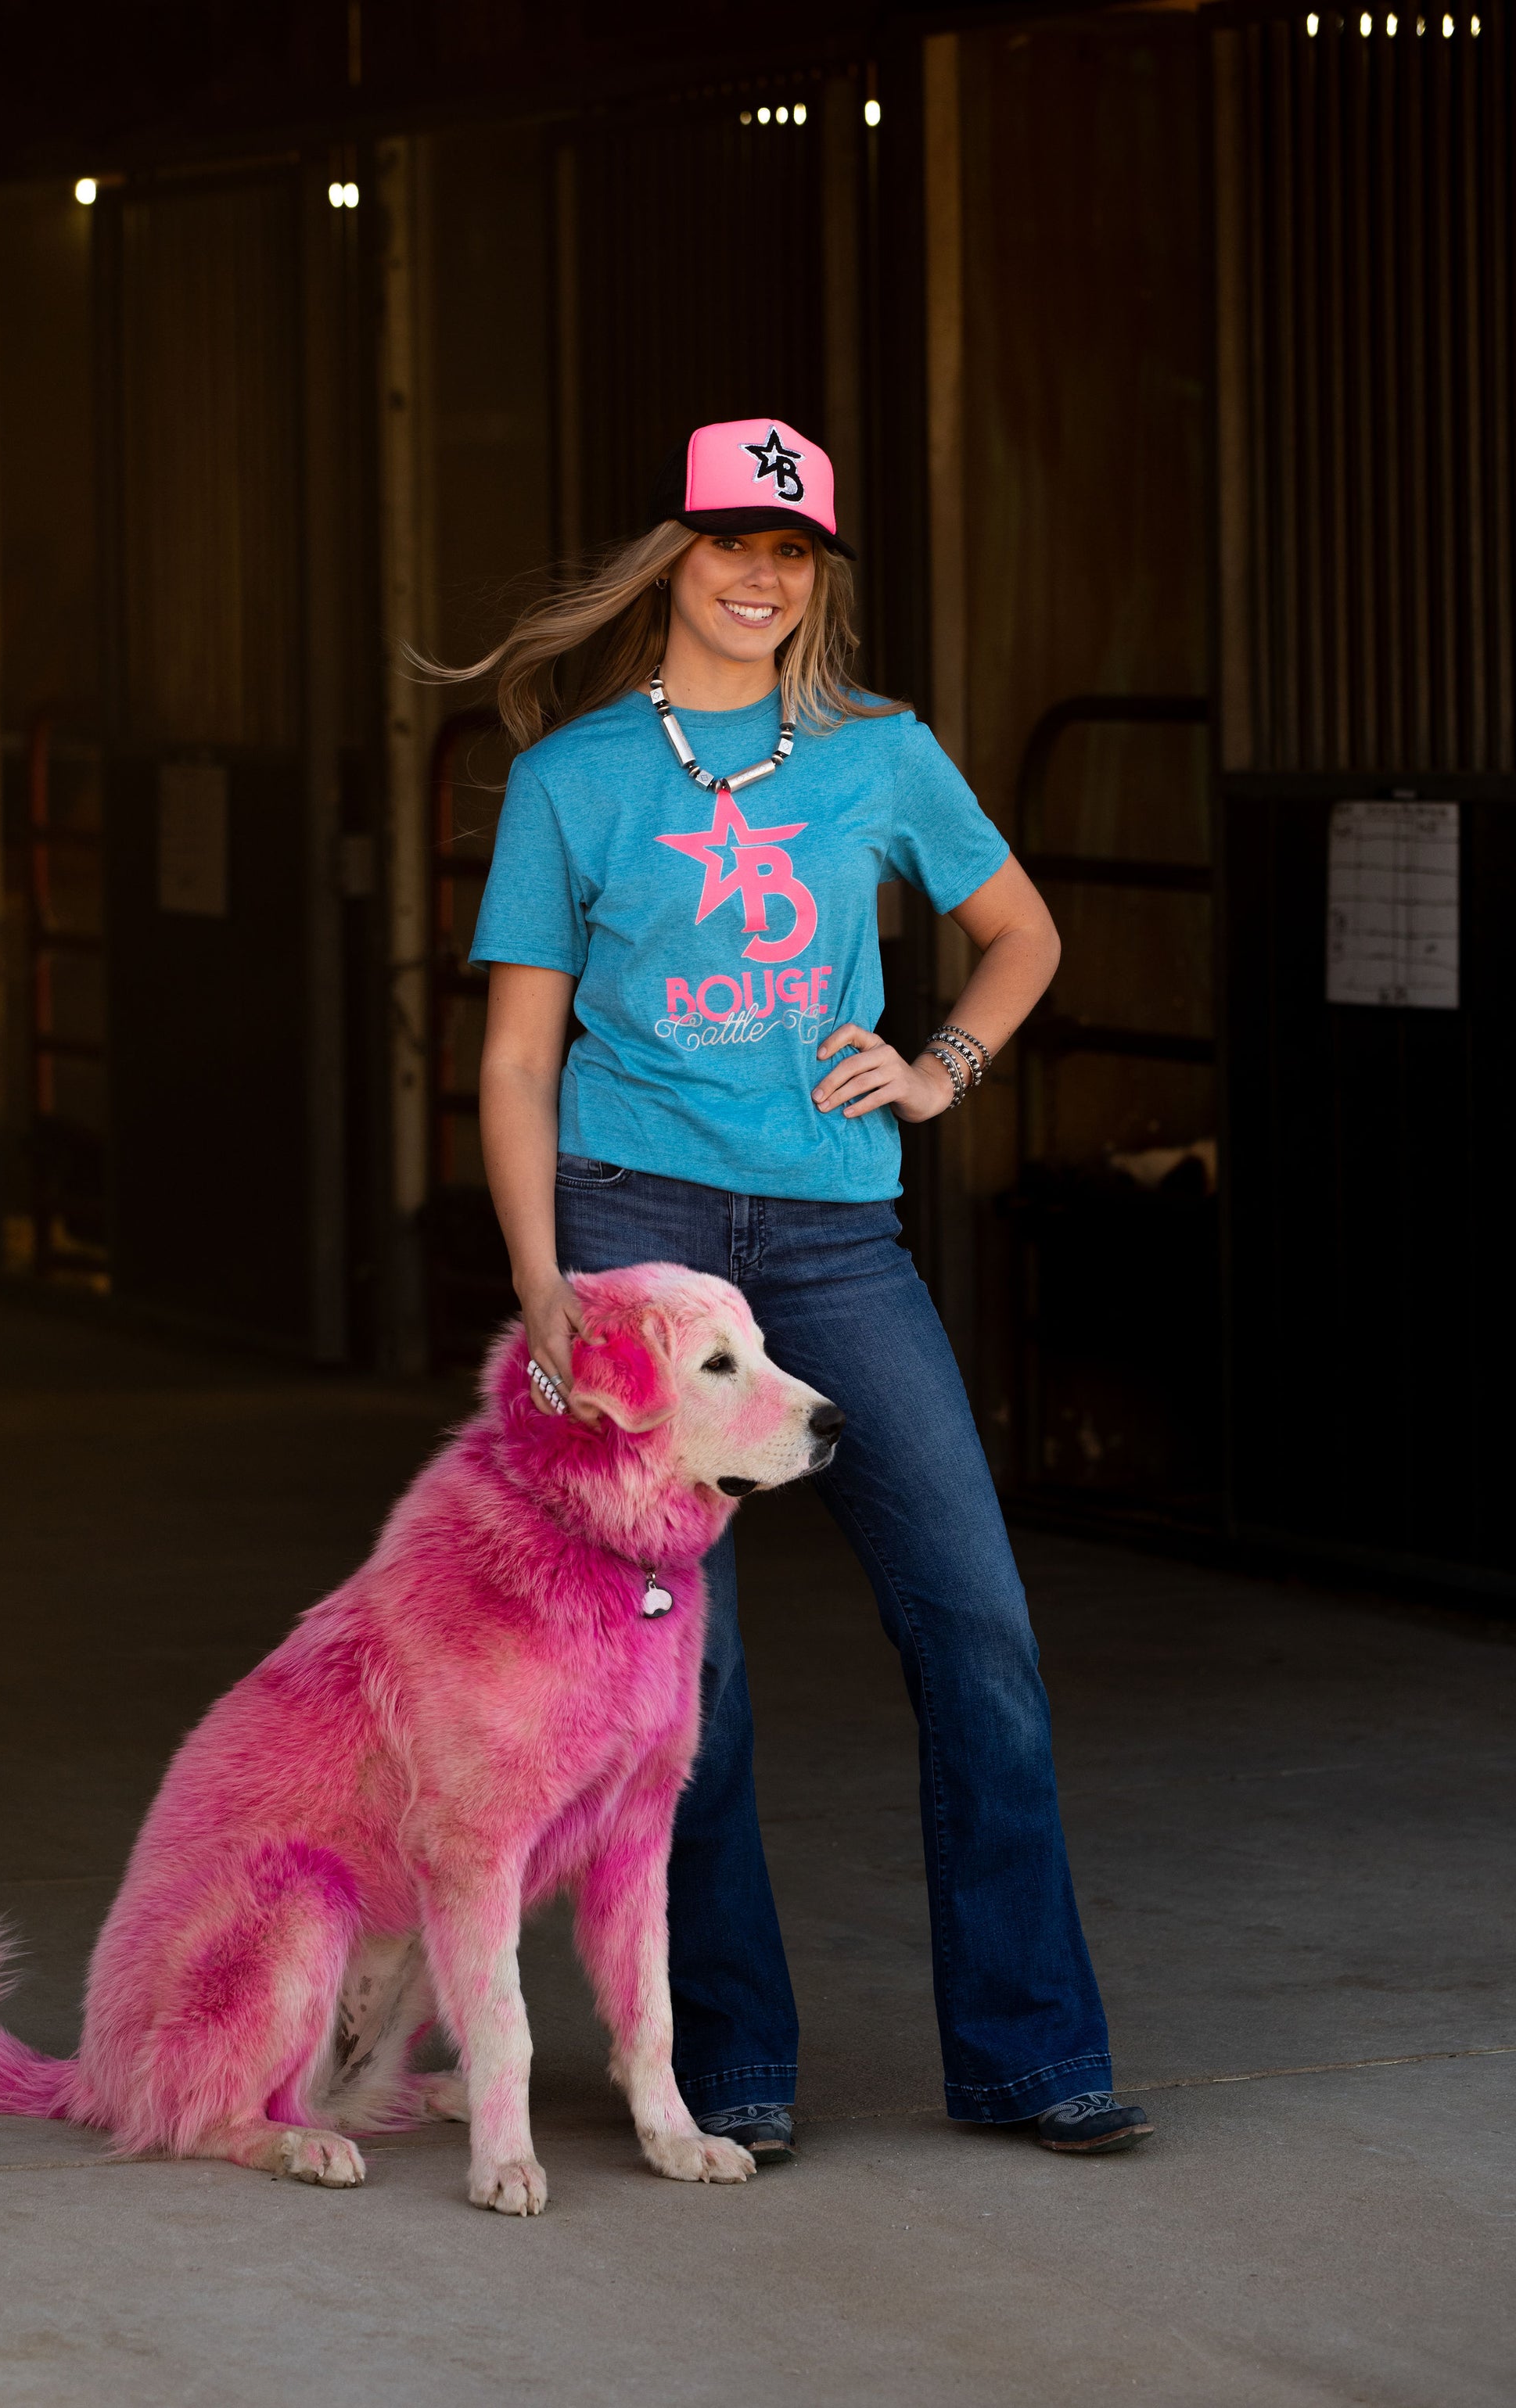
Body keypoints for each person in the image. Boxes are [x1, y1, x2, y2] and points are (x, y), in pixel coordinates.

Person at [444, 416, 1151, 2162]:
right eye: (728, 543)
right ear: (669, 555)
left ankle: (1025, 2049)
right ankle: (722, 2061)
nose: (757, 577)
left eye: (791, 554)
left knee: (974, 1624)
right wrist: (546, 1285)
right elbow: (520, 1055)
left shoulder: (876, 756)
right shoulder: (575, 777)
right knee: (697, 1683)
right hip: (634, 1236)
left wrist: (942, 1066)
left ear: (813, 577)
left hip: (834, 1237)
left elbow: (1025, 930)